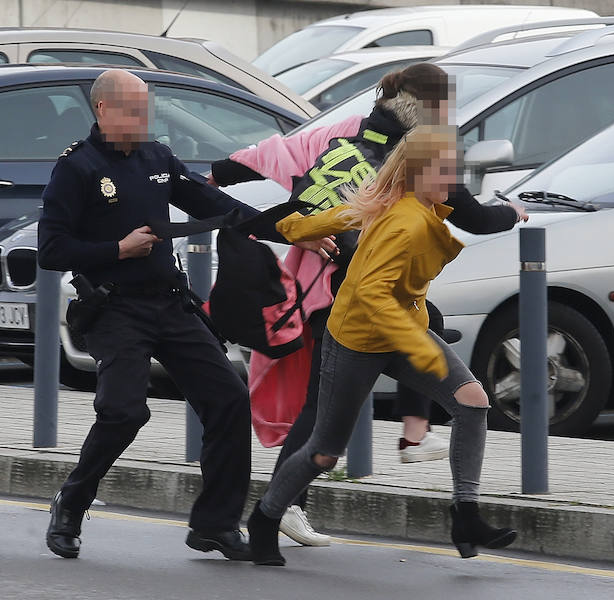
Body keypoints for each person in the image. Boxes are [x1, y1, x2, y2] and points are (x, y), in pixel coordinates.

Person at [209, 62, 524, 546]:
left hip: (334, 290)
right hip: (348, 309)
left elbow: (277, 155)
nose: (453, 176)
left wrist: (217, 179)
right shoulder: (416, 168)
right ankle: (278, 508)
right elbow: (473, 217)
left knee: (467, 395)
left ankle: (453, 498)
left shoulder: (349, 136)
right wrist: (513, 213)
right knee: (323, 436)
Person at [37, 68, 298, 561]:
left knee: (228, 400)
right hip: (116, 309)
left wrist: (296, 230)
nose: (144, 117)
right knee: (123, 412)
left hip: (170, 304)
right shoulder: (78, 167)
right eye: (134, 109)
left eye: (146, 108)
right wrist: (118, 248)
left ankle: (215, 526)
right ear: (104, 110)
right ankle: (71, 503)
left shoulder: (156, 157)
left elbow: (218, 205)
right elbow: (51, 249)